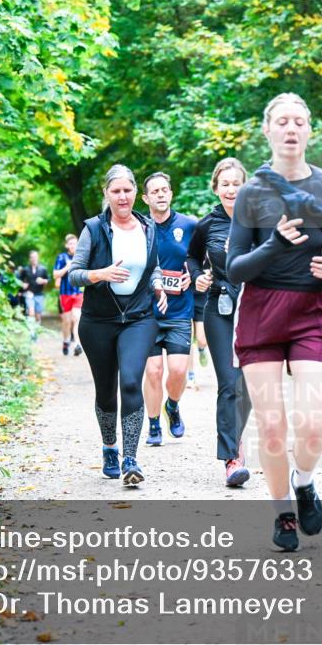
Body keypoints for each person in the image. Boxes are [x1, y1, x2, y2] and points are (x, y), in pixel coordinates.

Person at [227, 93, 322, 551]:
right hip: (262, 317)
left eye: (299, 122)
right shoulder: (251, 193)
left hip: (313, 313)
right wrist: (275, 246)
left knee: (312, 426)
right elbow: (235, 268)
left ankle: (304, 481)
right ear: (267, 130)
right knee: (270, 427)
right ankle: (283, 512)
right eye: (282, 121)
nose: (290, 129)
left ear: (309, 131)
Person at [68, 164, 168, 486]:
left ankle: (130, 459)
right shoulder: (94, 229)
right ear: (106, 194)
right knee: (106, 390)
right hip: (98, 321)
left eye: (127, 190)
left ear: (135, 193)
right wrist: (101, 274)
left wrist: (158, 285)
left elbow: (152, 267)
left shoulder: (148, 226)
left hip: (138, 319)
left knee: (129, 383)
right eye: (116, 191)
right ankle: (109, 447)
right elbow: (75, 273)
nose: (122, 197)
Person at [187, 157, 254, 487]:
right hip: (220, 308)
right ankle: (232, 458)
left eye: (236, 183)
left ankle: (236, 442)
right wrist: (198, 275)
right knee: (229, 382)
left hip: (255, 309)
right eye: (225, 184)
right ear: (216, 188)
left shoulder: (258, 222)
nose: (231, 189)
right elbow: (191, 256)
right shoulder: (206, 225)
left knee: (250, 385)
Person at [140, 172, 195, 446]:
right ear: (146, 198)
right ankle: (152, 425)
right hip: (146, 313)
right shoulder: (138, 227)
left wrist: (193, 274)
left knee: (177, 370)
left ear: (171, 194)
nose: (161, 194)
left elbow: (204, 259)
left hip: (179, 311)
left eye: (165, 190)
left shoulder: (189, 225)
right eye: (155, 191)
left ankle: (172, 406)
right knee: (153, 371)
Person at [53, 234, 83, 356]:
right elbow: (55, 275)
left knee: (76, 318)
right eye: (70, 244)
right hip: (65, 293)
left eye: (75, 243)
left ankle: (77, 344)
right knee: (67, 321)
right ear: (67, 245)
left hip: (78, 292)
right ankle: (66, 341)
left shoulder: (81, 257)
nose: (73, 246)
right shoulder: (61, 257)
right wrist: (67, 267)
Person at [18, 250, 49, 339]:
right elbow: (19, 281)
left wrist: (43, 281)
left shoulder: (43, 269)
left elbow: (47, 280)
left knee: (38, 315)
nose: (34, 259)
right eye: (32, 257)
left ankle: (36, 330)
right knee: (31, 312)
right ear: (29, 259)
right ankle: (31, 333)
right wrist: (22, 285)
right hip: (29, 294)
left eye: (35, 257)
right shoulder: (25, 269)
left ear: (38, 258)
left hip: (39, 294)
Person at [187, 295, 209, 388]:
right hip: (186, 298)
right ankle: (190, 375)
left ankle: (201, 349)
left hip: (202, 299)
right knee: (188, 339)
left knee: (202, 341)